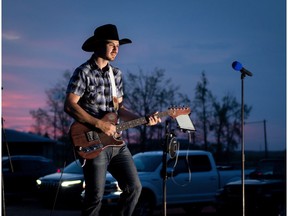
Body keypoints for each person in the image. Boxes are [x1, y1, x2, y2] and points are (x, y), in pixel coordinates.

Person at [64, 24, 161, 216]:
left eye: (118, 45)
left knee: (134, 187)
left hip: (116, 142)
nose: (116, 49)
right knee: (95, 196)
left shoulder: (116, 74)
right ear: (99, 46)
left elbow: (120, 110)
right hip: (93, 141)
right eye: (111, 45)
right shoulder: (83, 72)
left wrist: (143, 119)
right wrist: (100, 124)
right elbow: (70, 105)